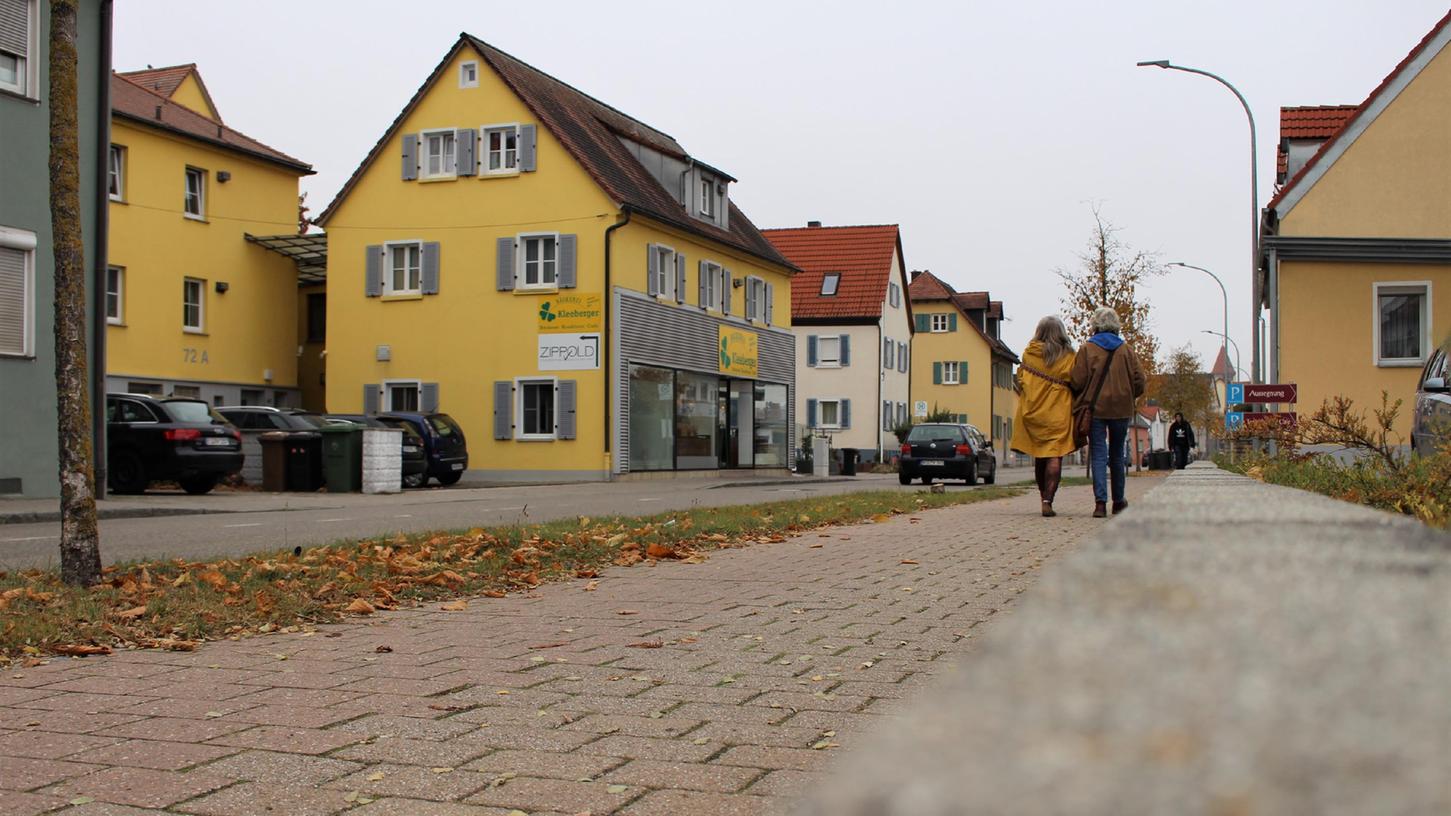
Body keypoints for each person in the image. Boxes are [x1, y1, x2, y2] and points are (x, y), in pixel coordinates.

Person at [1070, 307, 1147, 518]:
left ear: (1095, 324)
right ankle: (1119, 501)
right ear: (1116, 325)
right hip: (1121, 409)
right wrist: (1129, 393)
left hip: (1095, 409)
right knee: (1117, 454)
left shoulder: (1087, 349)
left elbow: (1076, 380)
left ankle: (1100, 504)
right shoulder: (1127, 350)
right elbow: (1140, 380)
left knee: (1099, 454)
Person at [1010, 316, 1077, 517]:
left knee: (1040, 456)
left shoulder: (1030, 353)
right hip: (1058, 413)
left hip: (1034, 412)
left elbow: (1021, 379)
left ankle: (1042, 498)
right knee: (1054, 456)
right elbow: (1076, 380)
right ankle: (1048, 499)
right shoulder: (1069, 356)